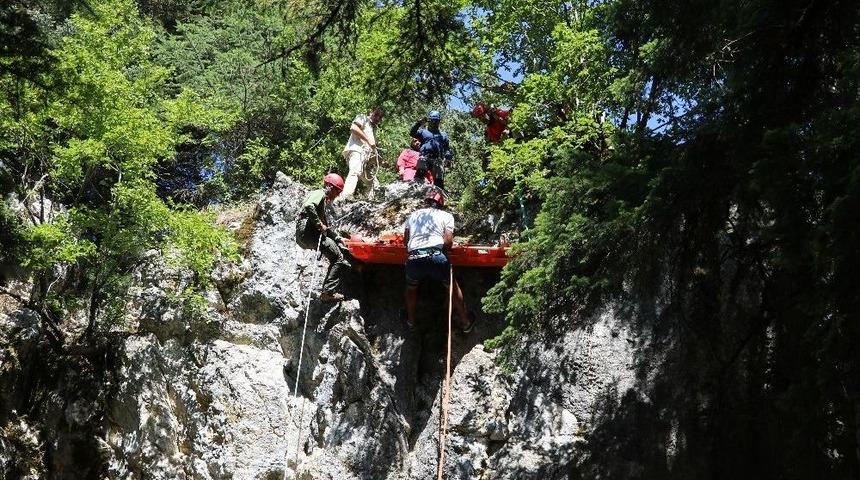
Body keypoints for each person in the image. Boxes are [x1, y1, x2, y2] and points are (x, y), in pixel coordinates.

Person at [403, 187, 474, 332]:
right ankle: (465, 322)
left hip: (414, 258)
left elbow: (406, 241)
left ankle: (411, 322)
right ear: (441, 203)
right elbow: (448, 242)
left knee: (411, 288)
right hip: (436, 257)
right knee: (452, 288)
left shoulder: (412, 216)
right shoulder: (446, 216)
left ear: (425, 202)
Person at [295, 173, 355, 302]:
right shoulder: (319, 193)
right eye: (337, 192)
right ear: (330, 187)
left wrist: (339, 238)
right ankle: (328, 292)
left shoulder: (321, 205)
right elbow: (309, 205)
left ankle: (327, 292)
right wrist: (318, 224)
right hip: (309, 233)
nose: (337, 195)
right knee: (338, 257)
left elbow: (326, 228)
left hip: (305, 235)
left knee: (335, 253)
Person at [341, 107, 384, 200]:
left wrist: (377, 157)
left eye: (380, 117)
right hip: (356, 151)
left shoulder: (374, 128)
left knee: (373, 183)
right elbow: (353, 128)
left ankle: (372, 201)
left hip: (365, 158)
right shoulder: (362, 117)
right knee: (355, 171)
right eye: (376, 114)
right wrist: (368, 140)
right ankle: (346, 196)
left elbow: (371, 145)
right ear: (371, 112)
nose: (377, 118)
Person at [410, 110, 453, 191]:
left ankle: (438, 196)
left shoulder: (443, 135)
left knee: (439, 181)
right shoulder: (423, 132)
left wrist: (448, 158)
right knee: (419, 175)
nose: (434, 123)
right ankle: (414, 193)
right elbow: (412, 133)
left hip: (437, 160)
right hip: (424, 157)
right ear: (429, 121)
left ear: (439, 122)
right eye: (433, 121)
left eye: (436, 121)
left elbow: (447, 148)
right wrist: (419, 123)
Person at [471, 103, 511, 171]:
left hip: (512, 137)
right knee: (486, 163)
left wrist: (508, 130)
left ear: (487, 113)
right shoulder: (489, 129)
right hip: (503, 146)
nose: (481, 119)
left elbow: (511, 118)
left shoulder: (498, 114)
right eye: (479, 118)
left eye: (482, 116)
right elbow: (495, 143)